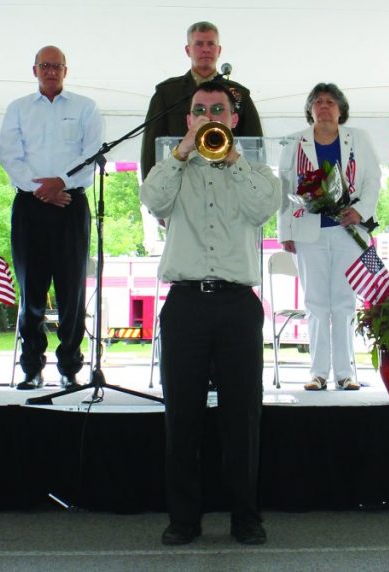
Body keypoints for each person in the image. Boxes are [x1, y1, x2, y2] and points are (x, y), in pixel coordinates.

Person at [140, 81, 280, 546]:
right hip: (186, 304)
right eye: (200, 110)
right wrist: (182, 151)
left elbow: (264, 209)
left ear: (234, 120)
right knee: (182, 416)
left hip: (238, 305)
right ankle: (183, 518)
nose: (209, 116)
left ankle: (246, 516)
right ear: (188, 119)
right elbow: (152, 200)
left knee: (243, 417)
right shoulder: (173, 168)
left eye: (218, 109)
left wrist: (233, 159)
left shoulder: (256, 171)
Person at [0, 46, 103, 390]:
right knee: (31, 291)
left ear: (65, 71)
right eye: (45, 66)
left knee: (72, 292)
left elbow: (92, 154)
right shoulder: (18, 109)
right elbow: (10, 156)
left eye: (57, 66)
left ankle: (70, 367)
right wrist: (41, 190)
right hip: (29, 207)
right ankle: (31, 368)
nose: (51, 71)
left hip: (71, 205)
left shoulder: (85, 107)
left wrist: (61, 183)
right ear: (35, 70)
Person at [278, 83, 381, 391]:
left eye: (330, 102)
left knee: (345, 302)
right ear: (310, 109)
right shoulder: (294, 141)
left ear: (341, 110)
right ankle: (318, 373)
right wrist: (285, 231)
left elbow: (373, 179)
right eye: (318, 102)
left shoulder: (358, 138)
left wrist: (360, 211)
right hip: (309, 231)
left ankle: (346, 373)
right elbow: (284, 186)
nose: (324, 106)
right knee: (316, 303)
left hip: (348, 230)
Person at [140, 21, 263, 179]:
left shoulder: (239, 94)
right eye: (199, 44)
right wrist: (150, 184)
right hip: (182, 178)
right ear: (188, 50)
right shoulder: (167, 93)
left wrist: (254, 181)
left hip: (226, 180)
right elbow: (150, 147)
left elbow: (255, 147)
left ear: (219, 50)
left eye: (211, 44)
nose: (206, 49)